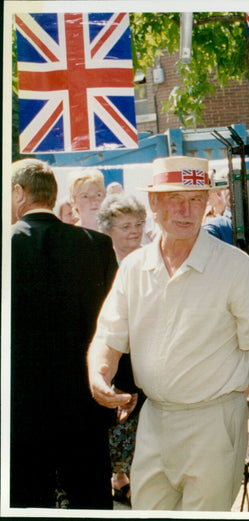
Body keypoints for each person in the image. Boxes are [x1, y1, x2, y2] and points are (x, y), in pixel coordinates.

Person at [87, 156, 249, 511]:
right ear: (153, 203)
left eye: (196, 199)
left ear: (207, 203)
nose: (186, 210)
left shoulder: (236, 268)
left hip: (213, 422)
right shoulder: (135, 267)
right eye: (174, 198)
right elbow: (108, 336)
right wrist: (99, 374)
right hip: (153, 420)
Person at [10, 159, 118, 509]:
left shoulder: (7, 246)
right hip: (84, 404)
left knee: (27, 504)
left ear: (17, 193)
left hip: (20, 410)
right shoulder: (97, 246)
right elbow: (116, 323)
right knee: (91, 503)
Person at [95, 193, 148, 504]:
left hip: (144, 352)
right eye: (125, 225)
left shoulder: (151, 259)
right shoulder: (100, 263)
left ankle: (134, 477)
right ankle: (119, 476)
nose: (134, 230)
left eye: (139, 223)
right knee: (115, 423)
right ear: (108, 229)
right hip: (115, 353)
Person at [97, 194, 147, 262]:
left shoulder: (151, 257)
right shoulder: (103, 263)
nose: (134, 230)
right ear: (108, 230)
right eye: (126, 226)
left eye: (138, 224)